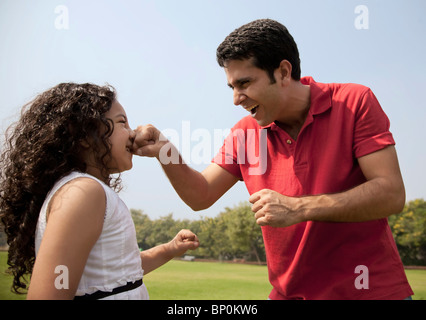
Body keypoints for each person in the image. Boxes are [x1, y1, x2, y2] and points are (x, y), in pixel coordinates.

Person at [132, 19, 413, 300]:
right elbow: (201, 195)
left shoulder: (354, 101)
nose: (236, 98)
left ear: (283, 72)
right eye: (231, 86)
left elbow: (390, 193)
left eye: (244, 83)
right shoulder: (244, 133)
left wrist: (299, 207)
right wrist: (164, 150)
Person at [0, 83, 199, 300]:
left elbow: (119, 271)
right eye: (122, 123)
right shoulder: (83, 192)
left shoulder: (89, 192)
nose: (133, 134)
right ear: (85, 135)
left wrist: (170, 248)